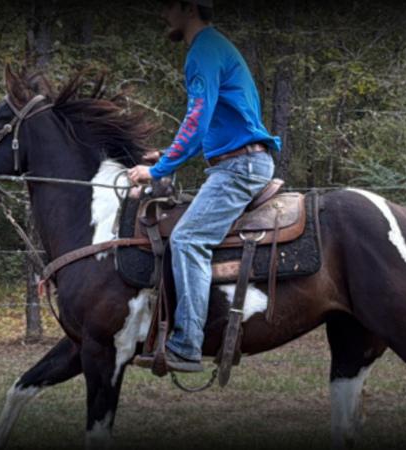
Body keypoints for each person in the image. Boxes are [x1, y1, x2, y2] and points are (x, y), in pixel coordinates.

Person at [129, 0, 281, 372]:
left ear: (188, 8)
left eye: (168, 6)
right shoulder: (216, 47)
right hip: (240, 160)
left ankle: (187, 344)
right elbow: (210, 126)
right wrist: (165, 155)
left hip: (238, 167)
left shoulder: (203, 51)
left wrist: (159, 169)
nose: (162, 12)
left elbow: (196, 119)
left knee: (188, 239)